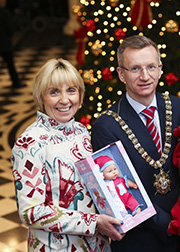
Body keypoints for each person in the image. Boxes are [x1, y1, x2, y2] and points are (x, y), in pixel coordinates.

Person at [91, 35, 180, 252]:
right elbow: (118, 189)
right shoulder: (106, 125)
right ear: (121, 74)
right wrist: (170, 225)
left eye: (151, 67)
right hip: (141, 239)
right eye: (135, 69)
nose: (145, 76)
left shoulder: (179, 108)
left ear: (160, 69)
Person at [11, 58, 124, 252]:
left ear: (80, 95)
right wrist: (93, 222)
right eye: (54, 92)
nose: (64, 100)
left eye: (71, 90)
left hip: (97, 245)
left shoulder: (80, 130)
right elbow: (30, 212)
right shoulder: (29, 143)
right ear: (42, 96)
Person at [0, 0, 22, 88]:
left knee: (10, 63)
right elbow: (11, 29)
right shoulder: (5, 13)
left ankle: (16, 81)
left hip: (4, 42)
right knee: (10, 63)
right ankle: (16, 82)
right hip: (4, 43)